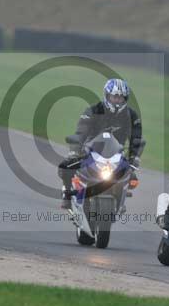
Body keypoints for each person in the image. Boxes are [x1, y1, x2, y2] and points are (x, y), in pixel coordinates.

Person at [58, 78, 143, 210]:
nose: (118, 100)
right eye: (115, 97)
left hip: (117, 154)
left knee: (132, 178)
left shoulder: (132, 115)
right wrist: (75, 150)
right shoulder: (93, 110)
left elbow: (136, 138)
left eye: (121, 98)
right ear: (107, 96)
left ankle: (120, 201)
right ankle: (67, 194)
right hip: (91, 151)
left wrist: (134, 158)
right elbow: (81, 132)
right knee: (65, 167)